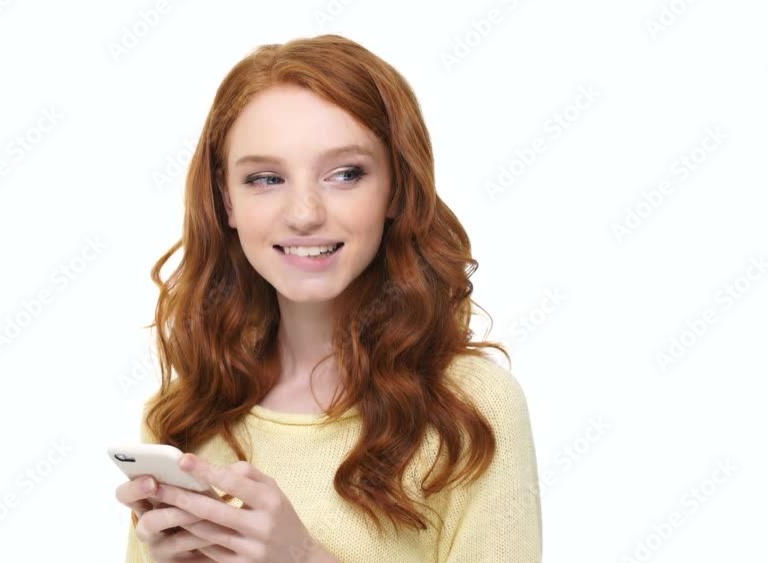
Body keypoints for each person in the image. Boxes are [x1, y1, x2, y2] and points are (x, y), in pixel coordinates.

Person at [115, 33, 542, 563]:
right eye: (266, 178)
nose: (304, 213)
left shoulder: (472, 408)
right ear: (227, 200)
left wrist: (301, 557)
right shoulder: (182, 414)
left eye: (345, 174)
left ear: (396, 189)